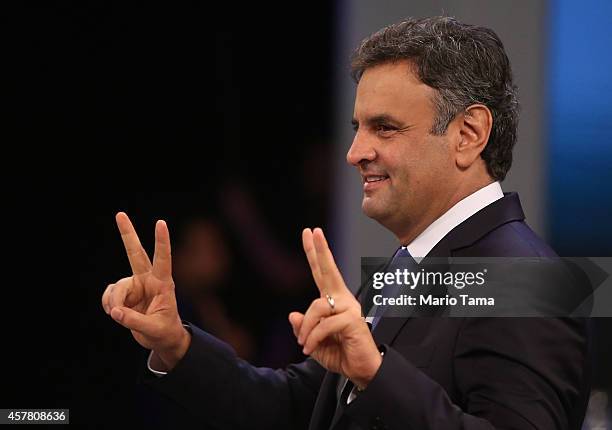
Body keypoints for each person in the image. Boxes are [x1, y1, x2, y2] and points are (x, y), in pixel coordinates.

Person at [101, 17, 590, 429]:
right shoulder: (411, 264)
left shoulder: (529, 279)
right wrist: (177, 345)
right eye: (358, 129)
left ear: (468, 134)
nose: (355, 154)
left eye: (385, 128)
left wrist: (377, 373)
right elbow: (298, 408)